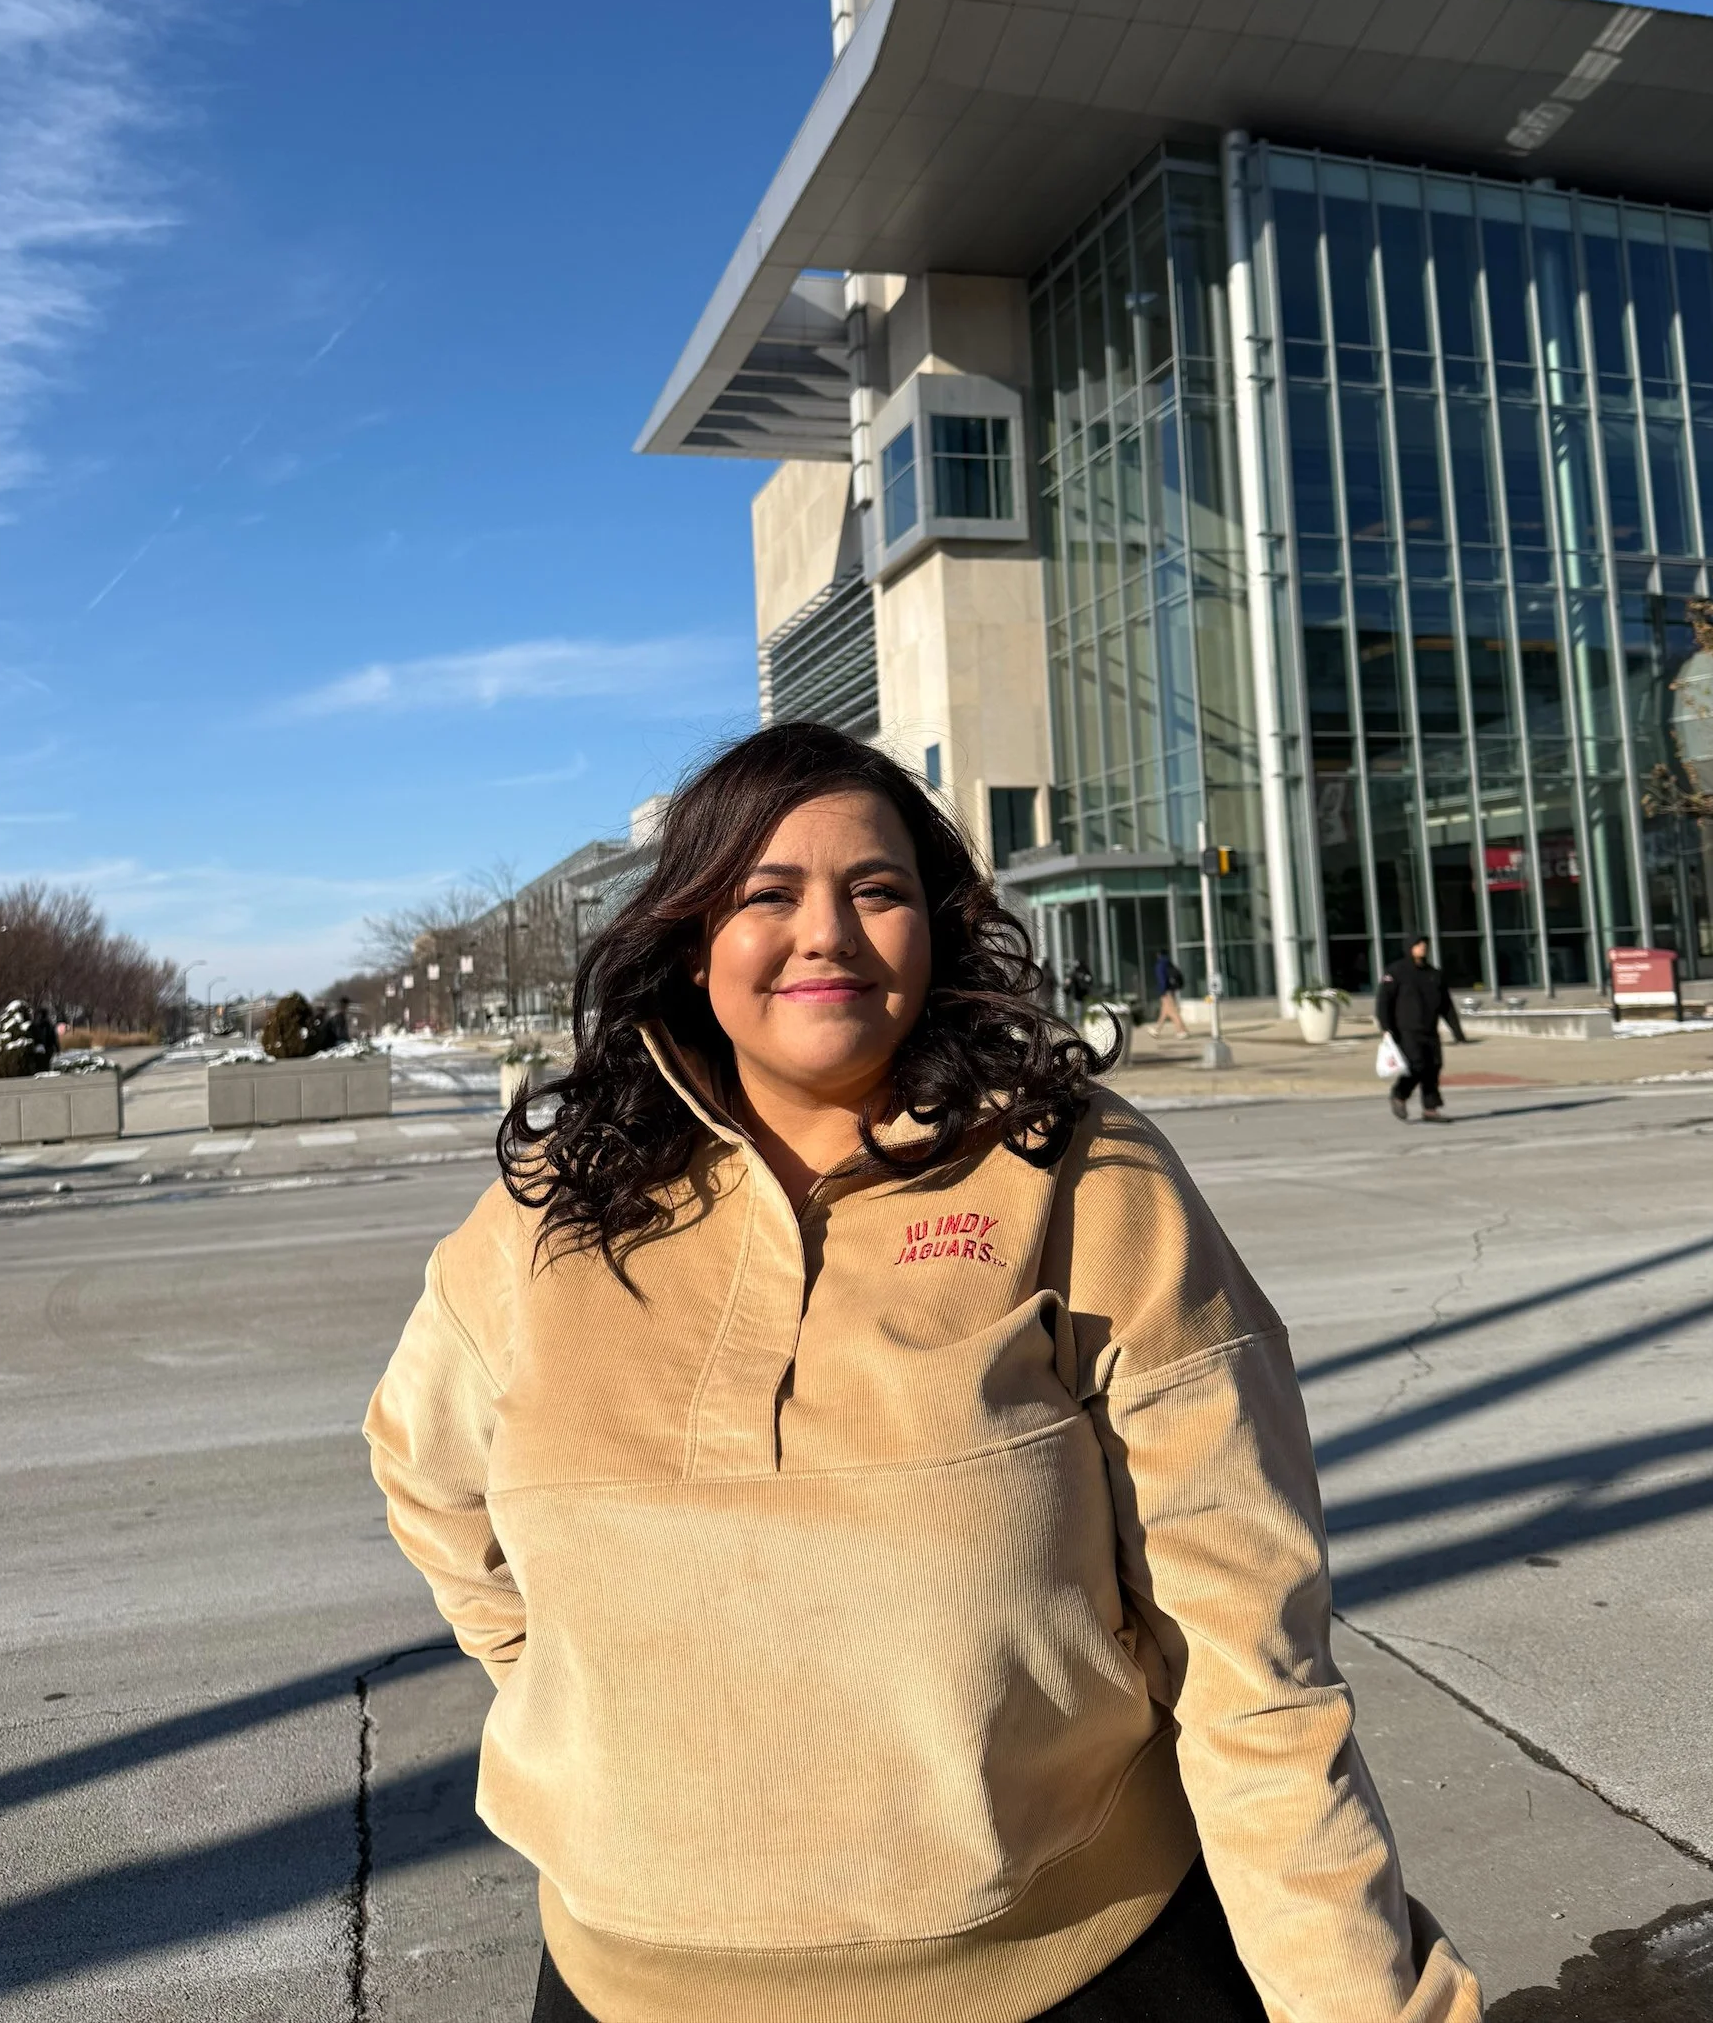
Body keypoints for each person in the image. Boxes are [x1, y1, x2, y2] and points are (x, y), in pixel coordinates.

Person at [366, 723, 1478, 2023]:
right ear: (689, 939)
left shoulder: (1073, 1170)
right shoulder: (555, 1208)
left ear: (936, 928)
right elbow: (427, 1478)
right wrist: (585, 1697)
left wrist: (1354, 2002)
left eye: (876, 890)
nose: (827, 931)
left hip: (1083, 1973)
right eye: (767, 895)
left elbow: (1248, 1660)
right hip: (626, 1987)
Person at [1376, 935, 1467, 1122]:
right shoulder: (1396, 971)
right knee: (1416, 1066)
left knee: (1433, 1066)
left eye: (1425, 945)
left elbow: (1446, 1006)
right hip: (1405, 1029)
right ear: (1409, 947)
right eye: (1418, 945)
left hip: (1430, 1029)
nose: (1422, 948)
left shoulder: (1434, 974)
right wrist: (1386, 1028)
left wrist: (1457, 1032)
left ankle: (1430, 1109)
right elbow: (1384, 1002)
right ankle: (1399, 1094)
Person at [1149, 946, 1190, 1038]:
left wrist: (1163, 991)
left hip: (1166, 991)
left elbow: (1162, 979)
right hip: (1171, 990)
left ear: (1158, 955)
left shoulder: (1160, 965)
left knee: (1172, 1012)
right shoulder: (1169, 963)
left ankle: (1181, 1031)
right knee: (1164, 1011)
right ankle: (1157, 1030)